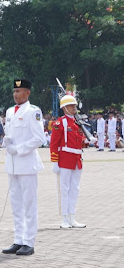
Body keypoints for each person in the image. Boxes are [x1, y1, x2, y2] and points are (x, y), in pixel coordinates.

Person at [1, 79, 46, 256]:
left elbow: (38, 138)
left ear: (27, 93)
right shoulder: (10, 111)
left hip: (26, 163)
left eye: (19, 91)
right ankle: (18, 239)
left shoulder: (33, 111)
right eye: (14, 91)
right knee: (16, 204)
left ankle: (29, 241)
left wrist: (18, 149)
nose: (15, 95)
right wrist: (7, 141)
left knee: (29, 204)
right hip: (12, 165)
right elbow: (11, 133)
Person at [50, 95, 86, 229]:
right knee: (64, 189)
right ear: (64, 108)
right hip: (65, 159)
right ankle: (64, 218)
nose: (74, 108)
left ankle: (72, 217)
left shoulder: (77, 122)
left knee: (75, 189)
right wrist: (55, 161)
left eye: (75, 105)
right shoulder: (60, 123)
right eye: (71, 106)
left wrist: (87, 141)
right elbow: (53, 143)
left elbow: (78, 140)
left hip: (77, 159)